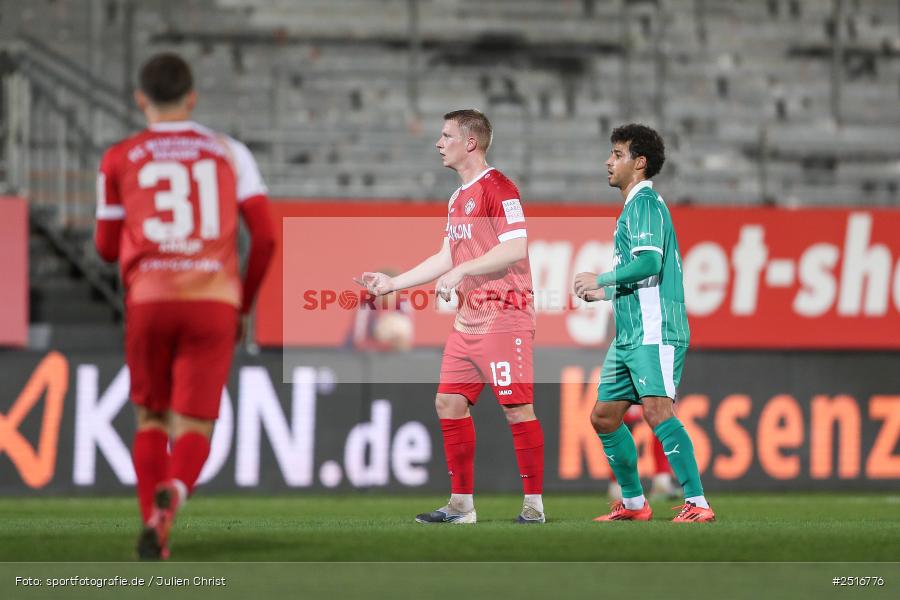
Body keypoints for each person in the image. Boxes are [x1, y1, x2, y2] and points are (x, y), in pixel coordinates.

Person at [94, 53, 277, 558]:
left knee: (151, 420)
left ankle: (156, 529)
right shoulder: (228, 151)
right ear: (192, 97)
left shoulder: (119, 157)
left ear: (141, 99)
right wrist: (242, 303)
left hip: (149, 299)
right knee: (195, 427)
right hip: (213, 300)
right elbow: (264, 236)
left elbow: (106, 248)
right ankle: (172, 498)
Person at [358, 110, 545, 524]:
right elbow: (446, 256)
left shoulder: (501, 188)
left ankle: (534, 506)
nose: (439, 143)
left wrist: (463, 269)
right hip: (469, 318)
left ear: (470, 143)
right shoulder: (457, 198)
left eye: (446, 136)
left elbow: (516, 247)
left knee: (516, 408)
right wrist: (393, 284)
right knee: (448, 402)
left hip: (505, 312)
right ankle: (461, 505)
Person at [573, 123, 714, 523]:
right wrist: (608, 294)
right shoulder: (633, 208)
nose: (608, 161)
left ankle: (698, 503)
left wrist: (600, 278)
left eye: (617, 154)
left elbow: (651, 262)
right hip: (630, 335)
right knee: (604, 416)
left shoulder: (645, 205)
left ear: (639, 163)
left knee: (657, 411)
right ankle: (635, 504)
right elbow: (642, 273)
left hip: (655, 329)